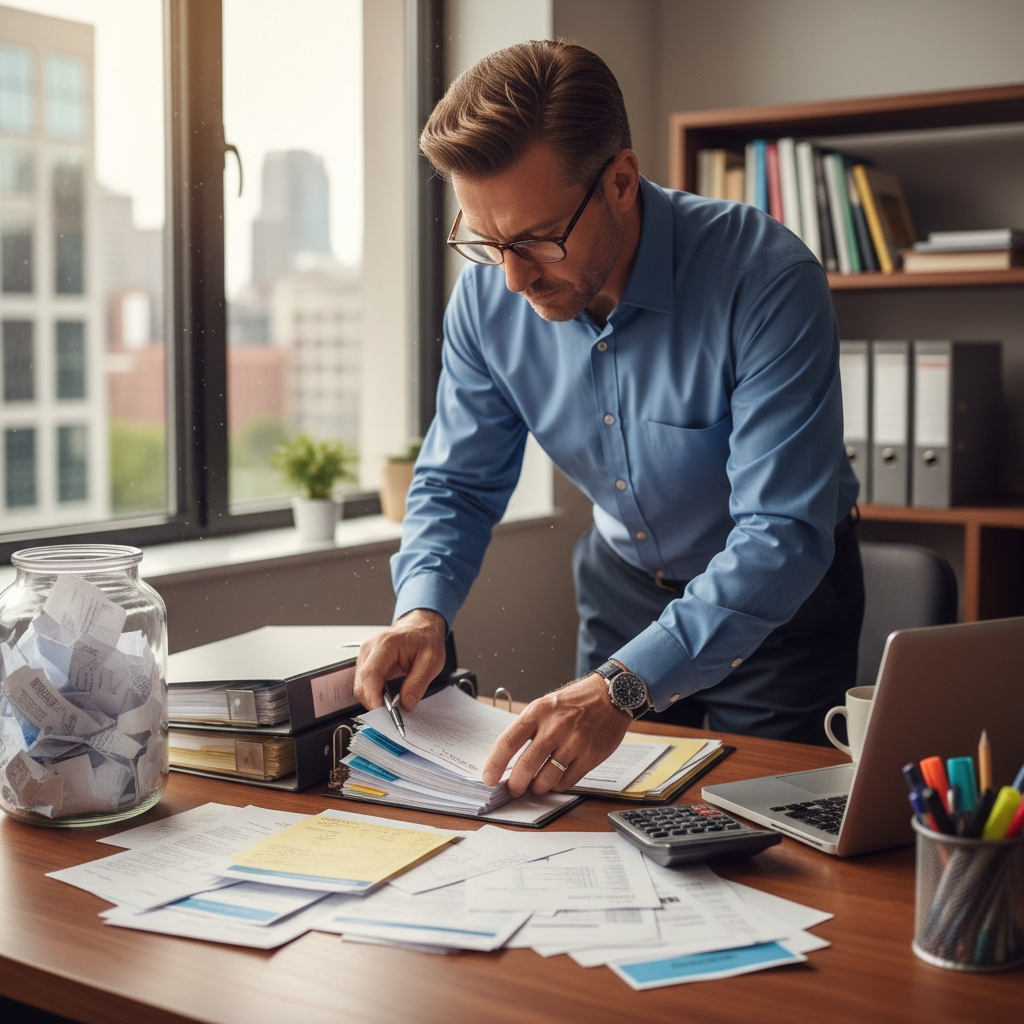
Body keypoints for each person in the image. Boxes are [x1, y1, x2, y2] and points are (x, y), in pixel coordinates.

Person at [354, 39, 863, 799]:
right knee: (600, 820)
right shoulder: (488, 298)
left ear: (621, 181)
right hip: (622, 589)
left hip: (779, 613)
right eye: (486, 242)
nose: (516, 277)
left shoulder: (764, 280)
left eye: (536, 239)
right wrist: (422, 611)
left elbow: (781, 532)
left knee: (763, 839)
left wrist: (624, 687)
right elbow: (457, 482)